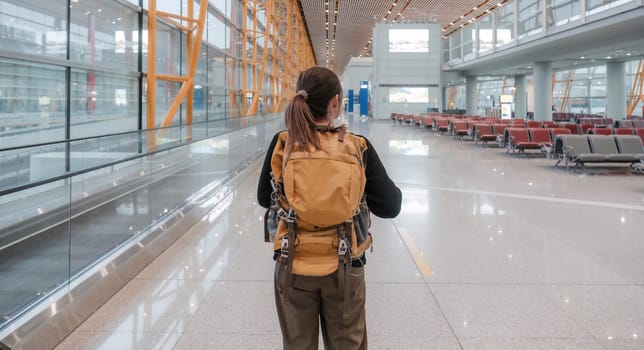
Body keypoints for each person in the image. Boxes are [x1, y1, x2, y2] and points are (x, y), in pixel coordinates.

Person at [257, 67, 401, 350]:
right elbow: (390, 206)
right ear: (335, 102)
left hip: (292, 263)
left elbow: (265, 199)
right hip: (345, 266)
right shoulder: (358, 147)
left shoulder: (283, 144)